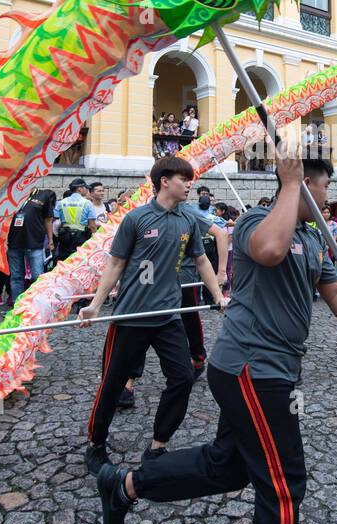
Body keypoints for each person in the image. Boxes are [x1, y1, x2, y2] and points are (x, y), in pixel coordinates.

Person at [93, 155, 337, 524]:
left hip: (280, 371)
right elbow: (270, 251)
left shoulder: (311, 237)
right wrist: (289, 185)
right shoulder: (257, 221)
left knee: (230, 465)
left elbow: (334, 290)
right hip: (252, 369)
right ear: (304, 184)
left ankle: (125, 485)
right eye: (323, 187)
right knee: (283, 486)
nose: (328, 198)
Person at [80, 156, 228, 472]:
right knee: (112, 383)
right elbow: (115, 264)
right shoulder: (136, 219)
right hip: (131, 317)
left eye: (190, 179)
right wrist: (95, 304)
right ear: (164, 181)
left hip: (169, 315)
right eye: (184, 179)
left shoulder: (188, 220)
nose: (190, 184)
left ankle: (158, 445)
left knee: (183, 377)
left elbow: (201, 261)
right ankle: (96, 444)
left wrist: (218, 295)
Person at [181, 194, 229, 379]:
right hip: (157, 280)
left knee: (189, 319)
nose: (187, 186)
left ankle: (197, 358)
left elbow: (221, 233)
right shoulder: (143, 213)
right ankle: (128, 380)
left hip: (186, 277)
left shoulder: (187, 212)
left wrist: (221, 273)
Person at [6, 187, 57, 306]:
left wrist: (50, 240)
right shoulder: (12, 194)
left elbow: (48, 220)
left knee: (37, 276)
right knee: (16, 276)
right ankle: (17, 306)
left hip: (35, 242)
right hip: (14, 242)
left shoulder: (43, 195)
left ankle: (36, 305)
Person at [55, 179, 98, 264]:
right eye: (85, 188)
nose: (87, 190)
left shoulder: (61, 202)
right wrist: (96, 239)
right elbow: (92, 225)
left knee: (64, 262)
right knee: (79, 262)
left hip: (65, 237)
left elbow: (55, 221)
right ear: (79, 189)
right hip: (81, 237)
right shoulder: (87, 203)